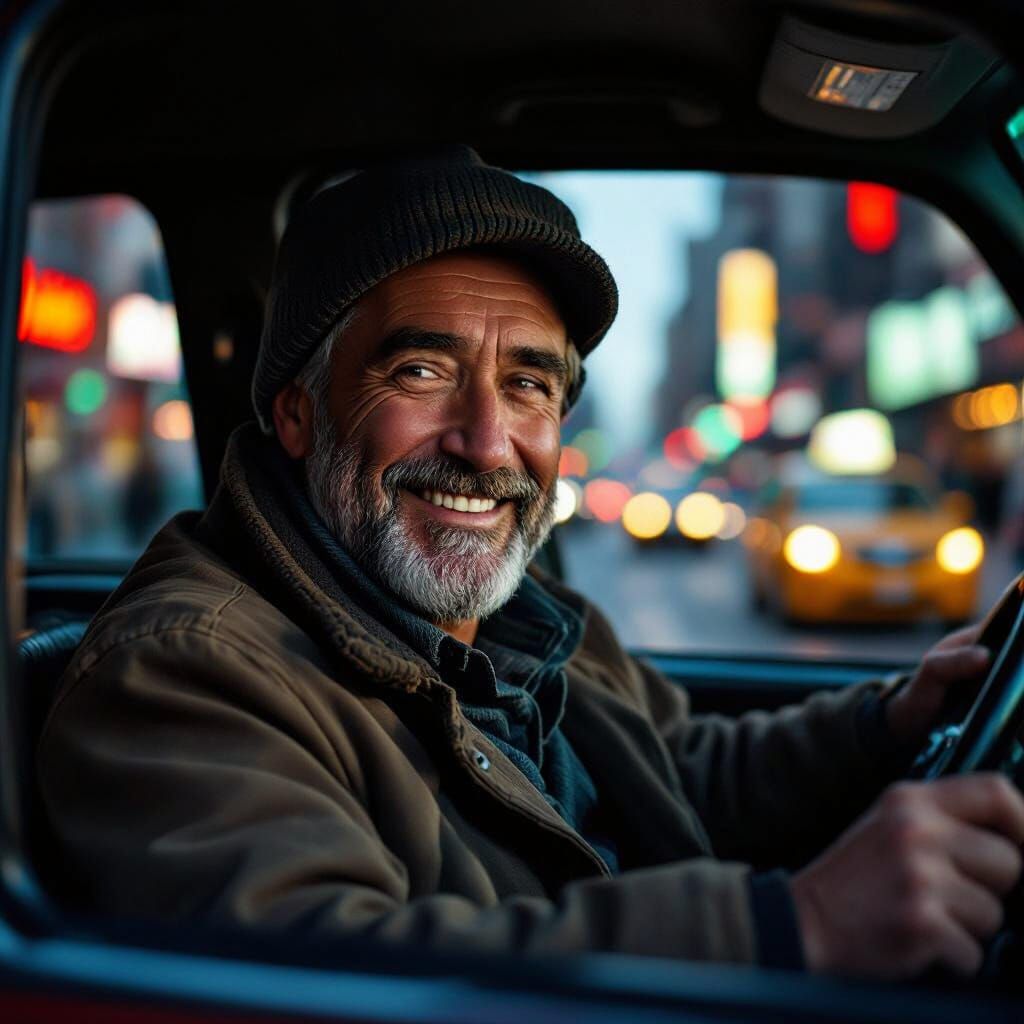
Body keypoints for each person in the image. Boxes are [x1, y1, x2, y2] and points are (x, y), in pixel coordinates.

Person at [38, 147, 1024, 978]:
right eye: (421, 370)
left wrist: (895, 720)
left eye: (528, 384)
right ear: (297, 412)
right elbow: (320, 973)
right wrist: (789, 928)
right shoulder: (184, 672)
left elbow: (676, 776)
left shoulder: (528, 614)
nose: (485, 439)